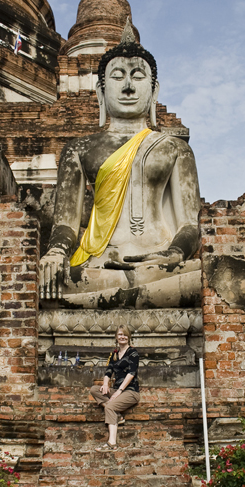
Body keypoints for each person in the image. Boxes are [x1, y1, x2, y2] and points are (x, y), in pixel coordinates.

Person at [39, 21, 201, 309]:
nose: (127, 87)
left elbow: (190, 223)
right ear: (101, 91)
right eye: (118, 77)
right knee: (52, 282)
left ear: (154, 91)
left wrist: (174, 253)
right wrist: (55, 252)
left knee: (203, 278)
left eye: (138, 77)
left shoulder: (176, 149)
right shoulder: (79, 148)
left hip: (160, 265)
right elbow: (65, 224)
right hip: (99, 264)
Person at [90, 325, 139, 452]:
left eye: (125, 335)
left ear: (129, 337)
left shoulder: (133, 353)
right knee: (94, 389)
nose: (122, 337)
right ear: (116, 337)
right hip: (116, 389)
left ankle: (112, 444)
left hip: (130, 391)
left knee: (110, 406)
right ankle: (117, 415)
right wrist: (106, 384)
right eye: (120, 334)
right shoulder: (115, 354)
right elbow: (108, 371)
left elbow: (131, 374)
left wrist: (119, 391)